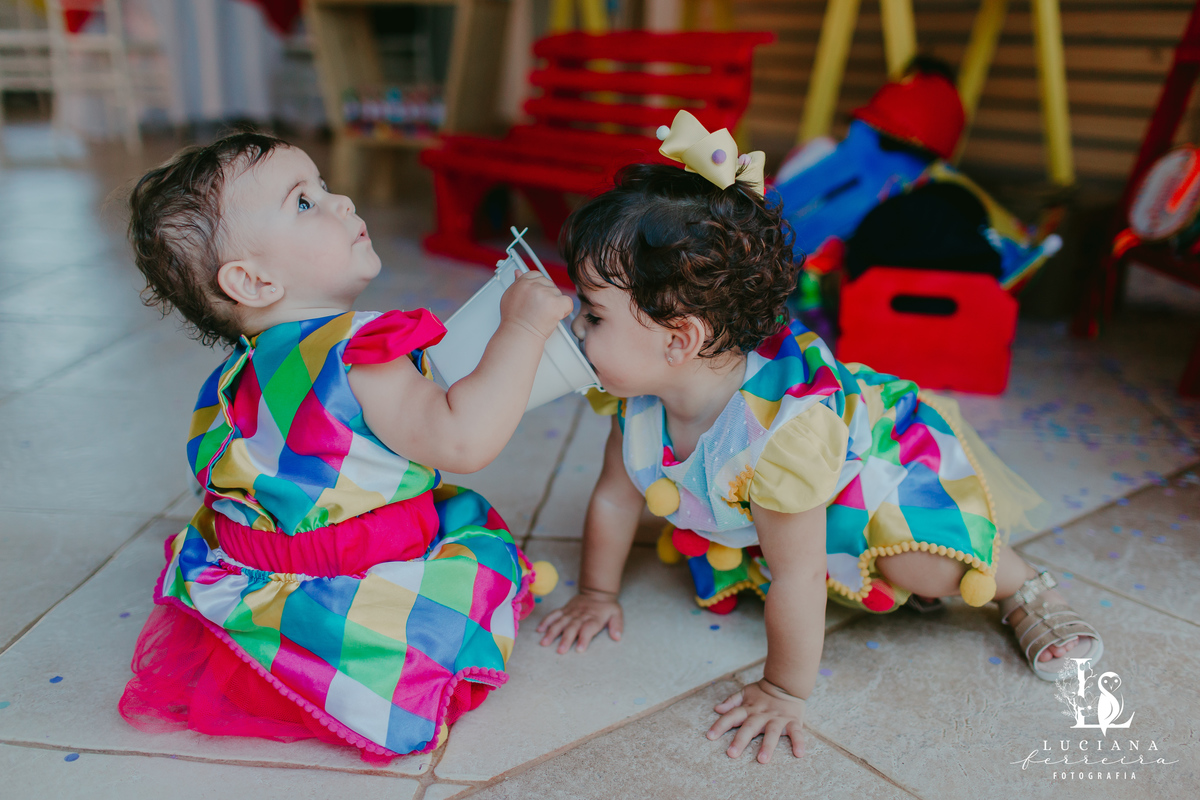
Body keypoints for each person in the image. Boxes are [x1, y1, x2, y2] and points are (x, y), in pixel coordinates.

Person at [535, 112, 1103, 764]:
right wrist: (595, 593)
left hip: (876, 461)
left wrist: (783, 688)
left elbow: (797, 576)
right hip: (790, 498)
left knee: (925, 568)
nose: (575, 326)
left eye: (593, 313)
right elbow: (614, 496)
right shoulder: (635, 397)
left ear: (680, 339)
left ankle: (1024, 585)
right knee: (782, 533)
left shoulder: (776, 440)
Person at [119, 131, 573, 762]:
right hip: (354, 583)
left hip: (261, 566)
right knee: (472, 557)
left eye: (323, 187)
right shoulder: (359, 354)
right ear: (251, 280)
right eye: (303, 203)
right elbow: (462, 438)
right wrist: (522, 328)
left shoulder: (238, 373)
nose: (342, 202)